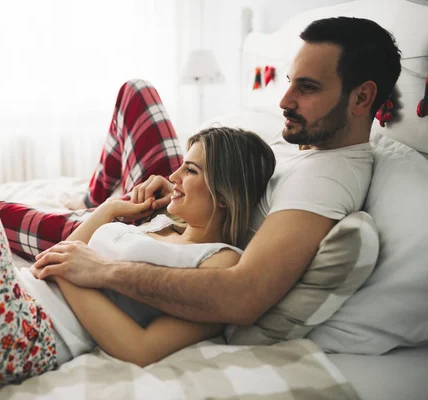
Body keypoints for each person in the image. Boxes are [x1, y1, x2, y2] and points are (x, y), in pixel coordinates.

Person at [0, 124, 275, 394]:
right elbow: (62, 257)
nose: (173, 176)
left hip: (9, 337)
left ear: (225, 191)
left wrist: (79, 274)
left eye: (191, 170)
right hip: (2, 302)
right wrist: (109, 212)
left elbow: (141, 349)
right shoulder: (163, 227)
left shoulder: (219, 264)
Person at [26, 16, 402, 327]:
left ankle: (94, 202)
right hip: (171, 212)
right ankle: (94, 196)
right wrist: (171, 190)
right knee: (135, 91)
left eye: (307, 88)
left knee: (5, 214)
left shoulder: (328, 179)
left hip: (165, 232)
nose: (285, 101)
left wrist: (102, 271)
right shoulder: (309, 137)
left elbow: (242, 296)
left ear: (362, 97)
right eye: (290, 83)